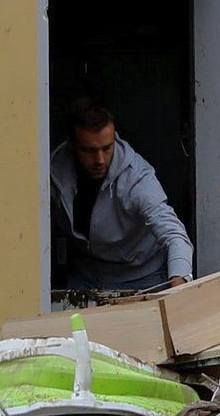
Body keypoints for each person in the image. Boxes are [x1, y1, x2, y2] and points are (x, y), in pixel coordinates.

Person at [48, 98, 192, 298]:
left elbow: (175, 234)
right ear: (72, 144)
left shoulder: (137, 179)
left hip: (144, 276)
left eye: (107, 148)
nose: (99, 159)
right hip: (85, 275)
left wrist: (180, 281)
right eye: (90, 151)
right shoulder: (54, 170)